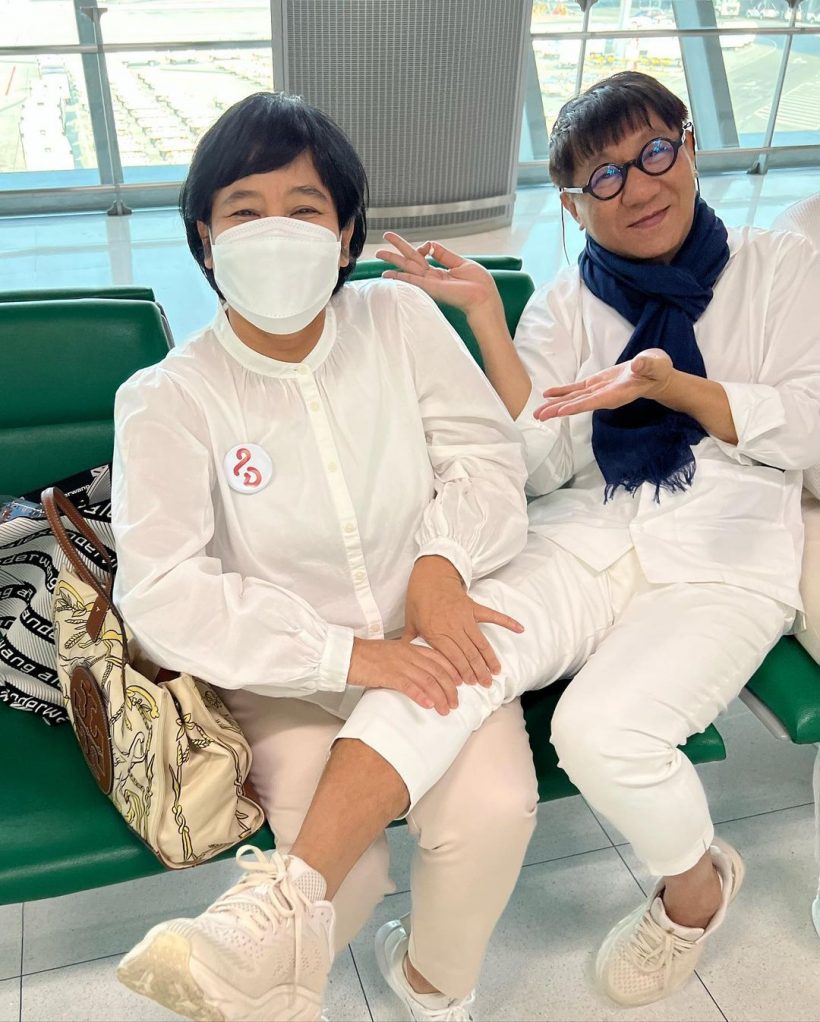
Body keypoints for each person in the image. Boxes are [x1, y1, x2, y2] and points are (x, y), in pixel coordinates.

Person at [374, 71, 820, 1008]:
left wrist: (677, 389)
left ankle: (694, 893)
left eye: (654, 152)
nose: (639, 187)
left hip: (725, 557)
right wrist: (489, 322)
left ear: (690, 146)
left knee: (601, 733)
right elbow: (536, 462)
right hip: (585, 534)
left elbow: (812, 427)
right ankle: (287, 901)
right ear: (575, 205)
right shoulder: (567, 302)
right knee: (440, 663)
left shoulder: (781, 269)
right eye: (606, 177)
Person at [112, 91, 541, 1022]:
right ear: (205, 239)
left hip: (429, 635)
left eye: (304, 209)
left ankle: (432, 985)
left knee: (494, 809)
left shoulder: (399, 322)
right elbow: (164, 589)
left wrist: (442, 564)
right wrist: (344, 657)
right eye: (244, 210)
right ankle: (269, 979)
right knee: (344, 872)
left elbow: (486, 456)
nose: (275, 231)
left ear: (346, 236)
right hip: (282, 676)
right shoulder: (168, 398)